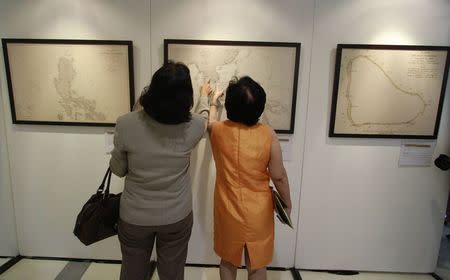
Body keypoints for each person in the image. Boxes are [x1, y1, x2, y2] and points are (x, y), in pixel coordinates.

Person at [109, 62, 212, 280]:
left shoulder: (126, 124)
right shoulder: (193, 127)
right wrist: (205, 97)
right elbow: (204, 119)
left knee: (132, 274)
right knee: (172, 275)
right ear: (186, 97)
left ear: (152, 90)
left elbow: (118, 170)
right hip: (176, 215)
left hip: (134, 217)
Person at [206, 76, 292, 280]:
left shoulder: (217, 131)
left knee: (228, 260)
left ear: (230, 106)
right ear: (259, 108)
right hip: (258, 210)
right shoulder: (268, 134)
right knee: (257, 264)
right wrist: (287, 204)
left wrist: (212, 102)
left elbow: (210, 122)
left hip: (227, 206)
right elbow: (278, 176)